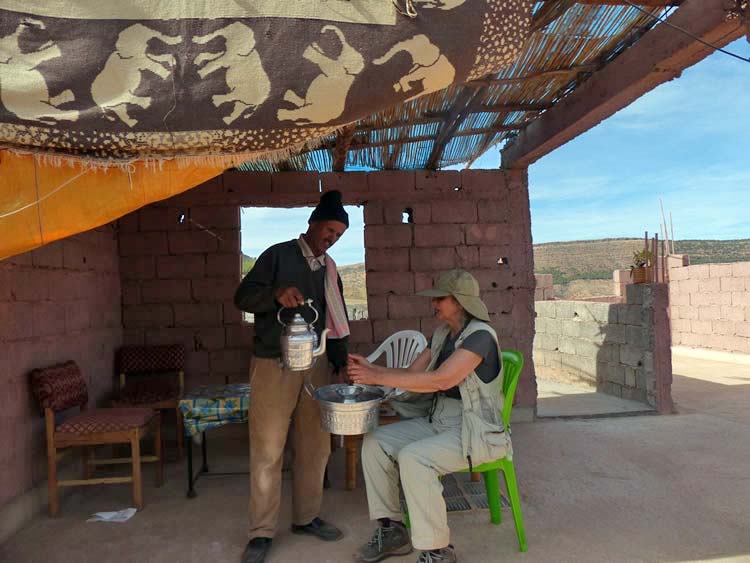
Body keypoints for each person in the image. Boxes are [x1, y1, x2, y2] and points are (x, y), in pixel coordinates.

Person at [348, 269, 511, 563]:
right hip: (440, 422)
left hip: (474, 431)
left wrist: (375, 376)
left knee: (414, 458)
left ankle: (438, 551)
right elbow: (412, 374)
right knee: (376, 443)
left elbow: (441, 380)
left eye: (440, 299)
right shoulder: (441, 335)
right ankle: (393, 530)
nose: (433, 304)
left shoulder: (481, 337)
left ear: (459, 303)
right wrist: (371, 373)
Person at [234, 190, 351, 563]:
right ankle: (261, 533)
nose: (332, 237)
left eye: (339, 234)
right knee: (268, 449)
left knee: (315, 446)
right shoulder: (278, 255)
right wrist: (276, 294)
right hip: (274, 363)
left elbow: (336, 320)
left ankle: (306, 517)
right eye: (329, 229)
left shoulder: (329, 269)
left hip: (313, 365)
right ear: (313, 224)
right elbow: (243, 296)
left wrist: (339, 361)